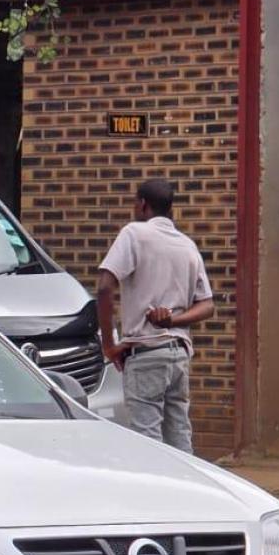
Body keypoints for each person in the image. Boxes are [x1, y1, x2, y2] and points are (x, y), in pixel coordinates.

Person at [97, 178, 214, 453]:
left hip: (146, 354)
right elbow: (207, 305)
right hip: (178, 356)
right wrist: (173, 322)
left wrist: (109, 346)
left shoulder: (134, 234)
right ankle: (186, 482)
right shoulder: (188, 246)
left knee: (148, 444)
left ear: (142, 204)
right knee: (179, 437)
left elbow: (104, 288)